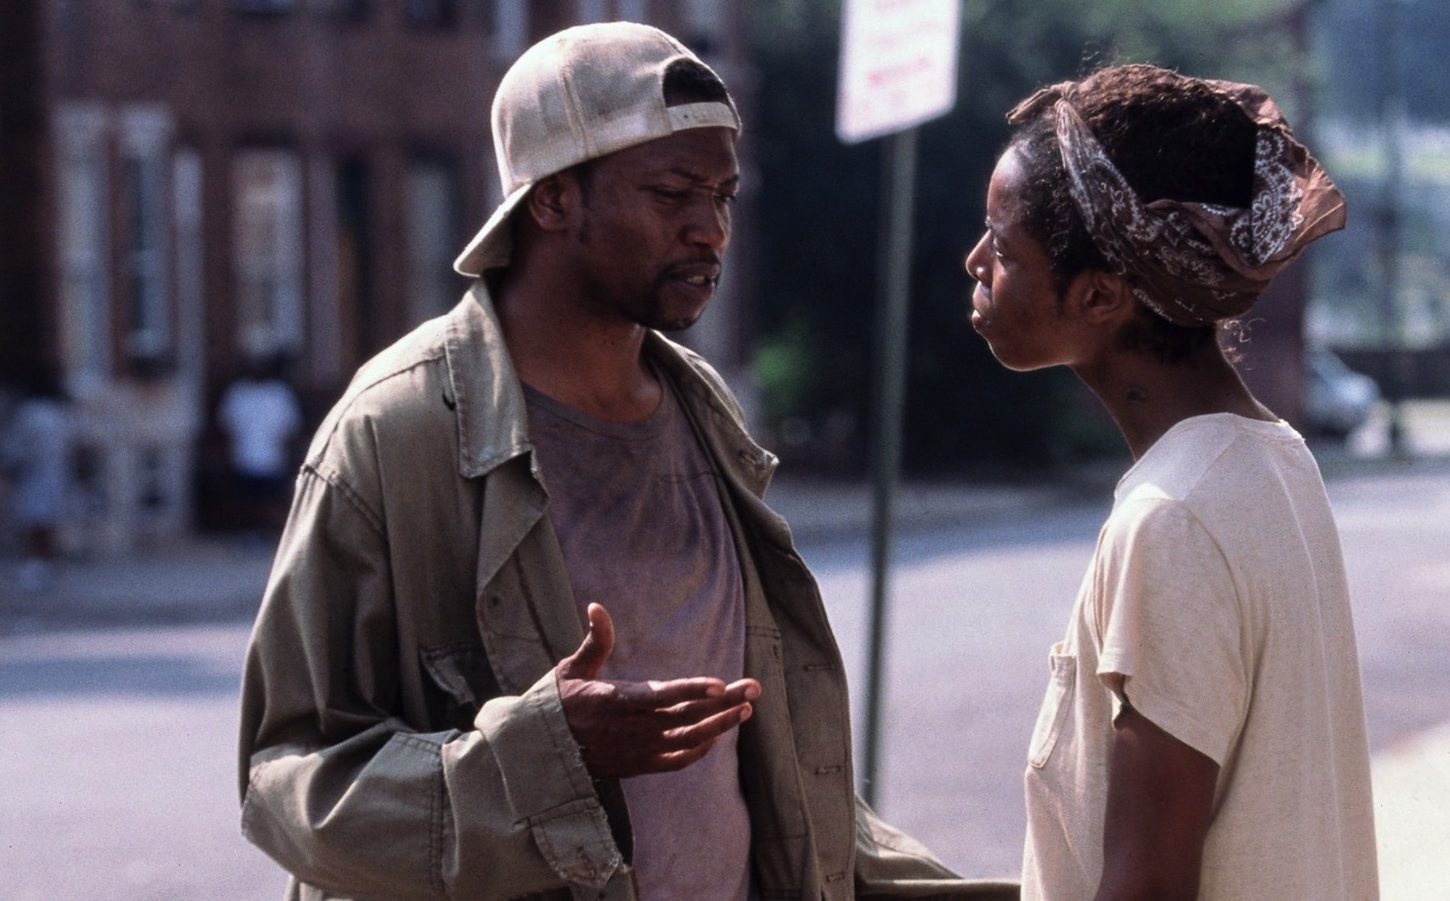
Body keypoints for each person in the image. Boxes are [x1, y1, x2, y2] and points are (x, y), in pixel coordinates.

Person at [239, 22, 1017, 901]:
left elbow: (783, 789)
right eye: (673, 192)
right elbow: (287, 784)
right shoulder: (400, 431)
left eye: (723, 195)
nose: (709, 229)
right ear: (552, 201)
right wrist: (539, 756)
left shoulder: (701, 408)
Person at [961, 64, 1377, 899]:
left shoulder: (1174, 516)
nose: (975, 260)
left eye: (1003, 249)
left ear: (1100, 295)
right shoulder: (1278, 460)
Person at [0, 370, 73, 591]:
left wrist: (9, 461)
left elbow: (17, 448)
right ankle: (45, 564)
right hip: (54, 473)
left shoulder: (30, 414)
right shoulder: (56, 413)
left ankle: (35, 564)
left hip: (34, 475)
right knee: (46, 521)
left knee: (33, 522)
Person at [217, 352, 303, 531]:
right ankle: (250, 533)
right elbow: (226, 426)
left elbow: (290, 429)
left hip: (272, 461)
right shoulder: (239, 392)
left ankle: (267, 532)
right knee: (247, 503)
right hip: (243, 459)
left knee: (270, 503)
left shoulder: (279, 393)